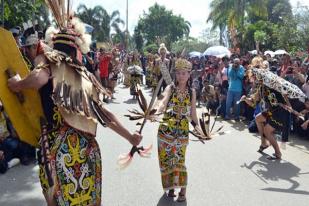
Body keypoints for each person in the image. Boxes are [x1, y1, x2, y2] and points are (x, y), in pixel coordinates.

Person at [8, 9, 142, 206]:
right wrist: (130, 136)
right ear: (78, 50)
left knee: (56, 200)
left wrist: (17, 84)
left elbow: (38, 79)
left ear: (53, 45)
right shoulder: (85, 77)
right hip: (88, 150)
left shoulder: (50, 61)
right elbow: (106, 115)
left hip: (58, 150)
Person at [155, 58, 198, 202]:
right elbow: (163, 102)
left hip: (182, 132)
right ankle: (171, 187)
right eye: (179, 73)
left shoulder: (192, 92)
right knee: (166, 160)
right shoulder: (170, 88)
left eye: (184, 73)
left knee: (179, 160)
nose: (181, 76)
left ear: (189, 74)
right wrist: (156, 111)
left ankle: (183, 190)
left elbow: (193, 114)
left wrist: (200, 129)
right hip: (166, 130)